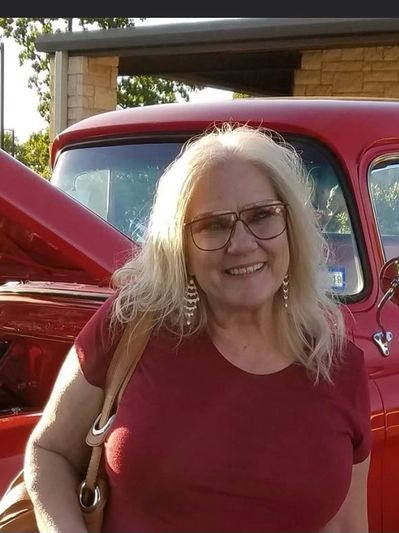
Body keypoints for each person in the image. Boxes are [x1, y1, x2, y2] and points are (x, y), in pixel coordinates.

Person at [24, 124, 371, 533]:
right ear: (180, 245)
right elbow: (49, 451)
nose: (241, 244)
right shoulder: (132, 324)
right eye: (213, 225)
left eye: (262, 215)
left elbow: (347, 524)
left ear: (292, 225)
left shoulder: (339, 364)